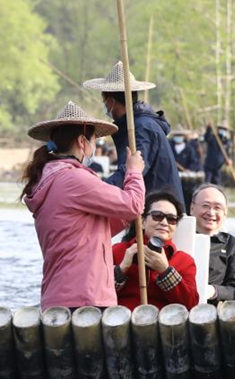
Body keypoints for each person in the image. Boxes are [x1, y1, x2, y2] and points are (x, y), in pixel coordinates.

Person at [22, 101, 145, 310]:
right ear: (82, 141)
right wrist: (133, 171)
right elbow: (133, 205)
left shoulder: (48, 178)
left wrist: (122, 214)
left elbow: (91, 230)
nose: (94, 146)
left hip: (58, 296)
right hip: (84, 297)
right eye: (94, 140)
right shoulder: (74, 179)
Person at [83, 61, 184, 202]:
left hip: (160, 206)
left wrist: (95, 192)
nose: (104, 104)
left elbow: (132, 172)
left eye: (104, 99)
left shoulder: (142, 128)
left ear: (111, 101)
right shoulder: (135, 125)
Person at [113, 190, 199, 310]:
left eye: (171, 219)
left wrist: (165, 271)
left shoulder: (184, 261)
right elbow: (97, 296)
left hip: (165, 320)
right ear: (142, 221)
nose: (164, 223)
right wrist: (121, 270)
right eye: (157, 216)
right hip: (122, 318)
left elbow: (191, 305)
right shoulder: (117, 251)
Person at [190, 183, 235, 305]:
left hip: (213, 308)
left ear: (225, 213)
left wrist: (212, 291)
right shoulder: (179, 237)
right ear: (192, 208)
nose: (211, 213)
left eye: (217, 208)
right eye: (205, 206)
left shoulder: (233, 245)